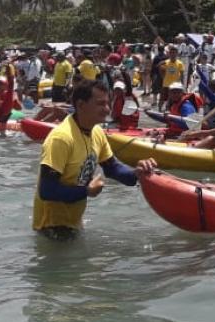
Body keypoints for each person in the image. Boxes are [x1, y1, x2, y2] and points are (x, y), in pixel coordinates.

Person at [32, 81, 156, 240]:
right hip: (51, 229)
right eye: (100, 104)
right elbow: (47, 191)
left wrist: (137, 173)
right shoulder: (61, 139)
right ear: (81, 105)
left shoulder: (97, 132)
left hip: (73, 223)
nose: (107, 109)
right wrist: (87, 191)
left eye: (108, 103)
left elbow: (112, 168)